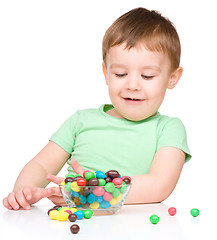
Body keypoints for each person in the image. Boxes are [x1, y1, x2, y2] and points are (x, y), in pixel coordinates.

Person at [3, 7, 191, 210]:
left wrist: (91, 195)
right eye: (120, 74)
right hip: (73, 225)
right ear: (106, 72)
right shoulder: (80, 121)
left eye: (147, 76)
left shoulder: (169, 129)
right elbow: (40, 165)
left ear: (172, 78)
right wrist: (24, 190)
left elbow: (160, 185)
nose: (133, 85)